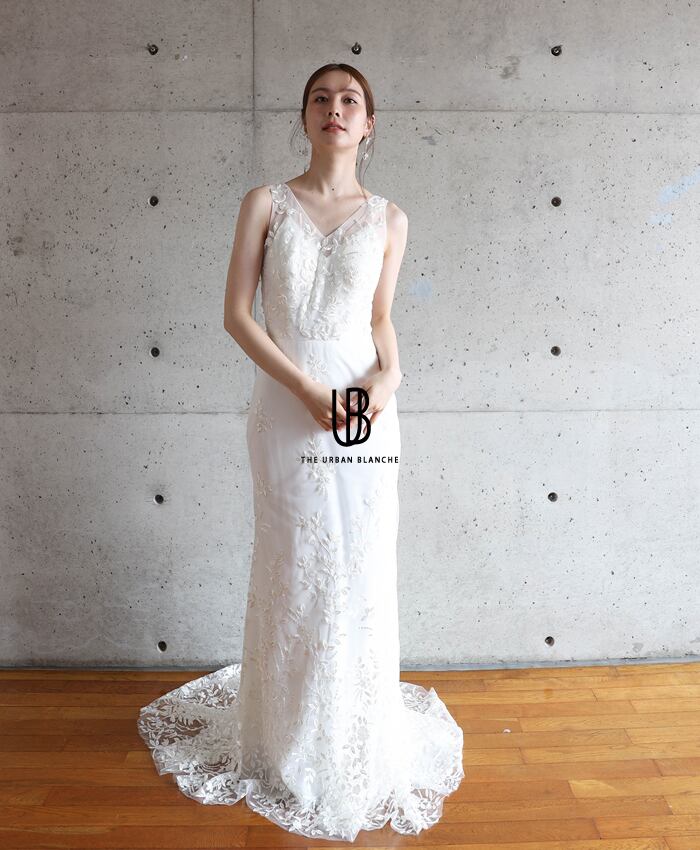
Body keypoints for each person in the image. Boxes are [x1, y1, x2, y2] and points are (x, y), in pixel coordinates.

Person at [137, 62, 464, 842]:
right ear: (305, 116)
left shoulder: (390, 219)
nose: (334, 109)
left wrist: (390, 377)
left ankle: (354, 738)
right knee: (296, 560)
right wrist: (306, 390)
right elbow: (237, 315)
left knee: (360, 564)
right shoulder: (265, 203)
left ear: (369, 123)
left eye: (350, 100)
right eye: (321, 98)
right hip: (288, 407)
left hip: (363, 409)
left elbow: (380, 318)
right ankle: (286, 741)